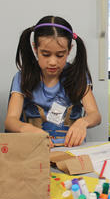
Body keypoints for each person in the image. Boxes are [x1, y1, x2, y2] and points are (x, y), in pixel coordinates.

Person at [5, 15, 101, 147]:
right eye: (45, 54)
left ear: (69, 50)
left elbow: (95, 115)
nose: (52, 62)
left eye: (60, 55)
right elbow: (10, 121)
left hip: (71, 148)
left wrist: (83, 122)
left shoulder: (77, 75)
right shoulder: (23, 77)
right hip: (35, 148)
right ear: (35, 49)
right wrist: (26, 129)